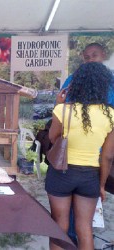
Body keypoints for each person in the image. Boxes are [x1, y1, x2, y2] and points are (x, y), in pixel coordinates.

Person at [46, 62, 114, 250]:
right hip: (90, 176)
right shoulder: (111, 115)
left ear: (77, 84)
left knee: (59, 227)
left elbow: (52, 138)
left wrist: (58, 105)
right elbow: (107, 156)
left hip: (61, 173)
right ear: (103, 84)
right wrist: (101, 185)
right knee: (84, 228)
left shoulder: (63, 110)